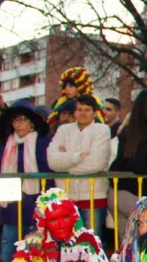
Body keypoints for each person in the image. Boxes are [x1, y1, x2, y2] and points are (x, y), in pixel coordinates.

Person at [0, 100, 52, 262]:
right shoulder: (7, 144)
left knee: (33, 252)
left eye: (22, 120)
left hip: (34, 202)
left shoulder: (42, 143)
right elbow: (1, 170)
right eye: (15, 120)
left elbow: (47, 172)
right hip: (11, 204)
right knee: (7, 253)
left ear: (31, 122)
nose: (18, 124)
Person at [47, 95, 112, 236]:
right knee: (66, 244)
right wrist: (77, 157)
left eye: (87, 110)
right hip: (66, 196)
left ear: (95, 113)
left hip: (94, 196)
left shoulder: (102, 130)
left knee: (92, 244)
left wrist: (65, 162)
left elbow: (96, 164)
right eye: (79, 109)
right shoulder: (63, 130)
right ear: (74, 112)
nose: (83, 113)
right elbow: (52, 161)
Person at [109, 88, 147, 231]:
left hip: (115, 192)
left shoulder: (127, 131)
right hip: (136, 194)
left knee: (127, 243)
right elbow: (141, 166)